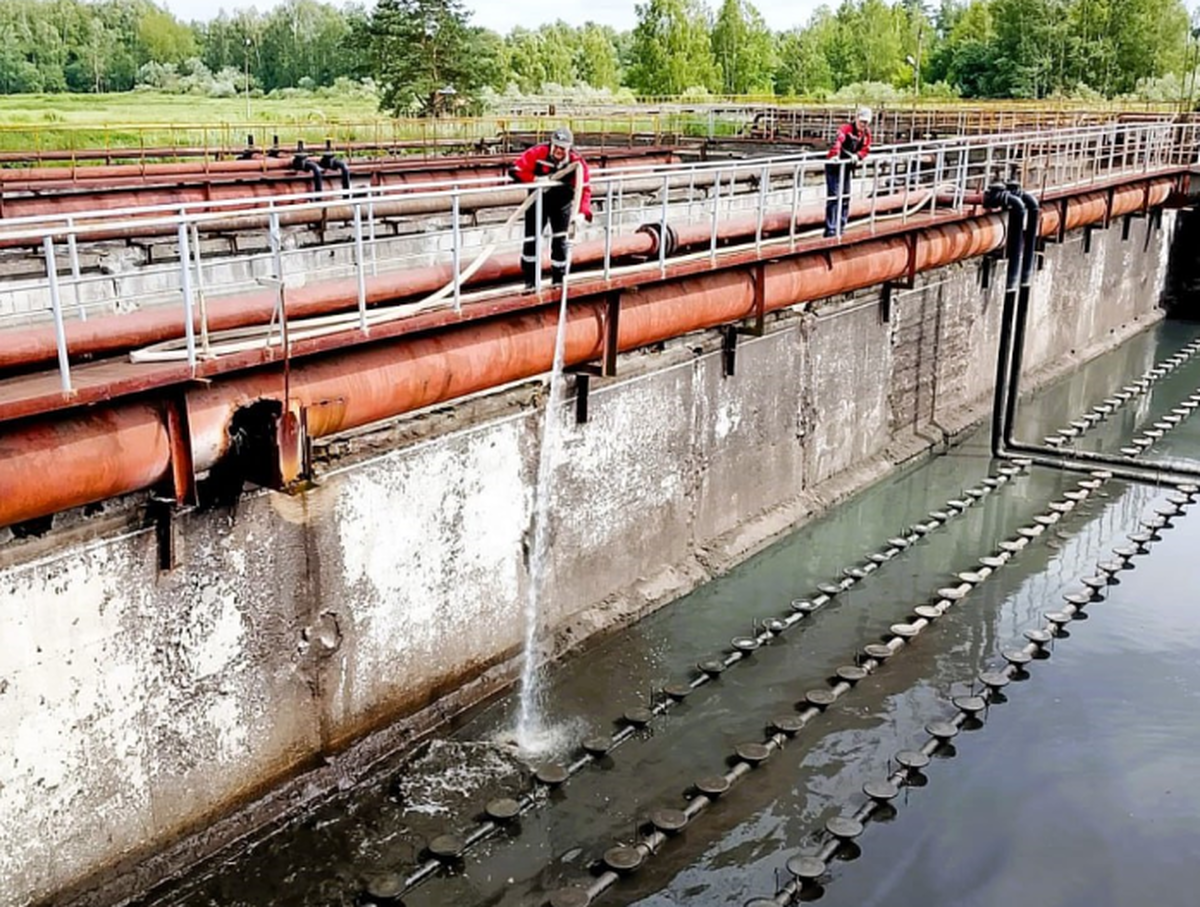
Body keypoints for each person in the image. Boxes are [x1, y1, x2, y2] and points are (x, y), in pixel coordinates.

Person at [508, 126, 593, 288]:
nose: (559, 151)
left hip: (561, 204)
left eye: (563, 148)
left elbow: (585, 188)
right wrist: (534, 179)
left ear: (569, 148)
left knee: (560, 241)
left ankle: (558, 281)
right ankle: (530, 282)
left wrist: (582, 212)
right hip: (537, 202)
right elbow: (515, 170)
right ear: (551, 144)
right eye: (556, 146)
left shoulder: (576, 162)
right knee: (531, 240)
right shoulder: (538, 153)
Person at [824, 107, 873, 237]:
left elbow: (866, 149)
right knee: (834, 197)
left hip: (847, 166)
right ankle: (831, 229)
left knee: (845, 196)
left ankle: (841, 226)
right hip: (834, 166)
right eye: (862, 121)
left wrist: (858, 156)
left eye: (866, 123)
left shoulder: (866, 133)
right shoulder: (846, 129)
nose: (863, 125)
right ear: (856, 118)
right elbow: (838, 141)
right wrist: (835, 155)